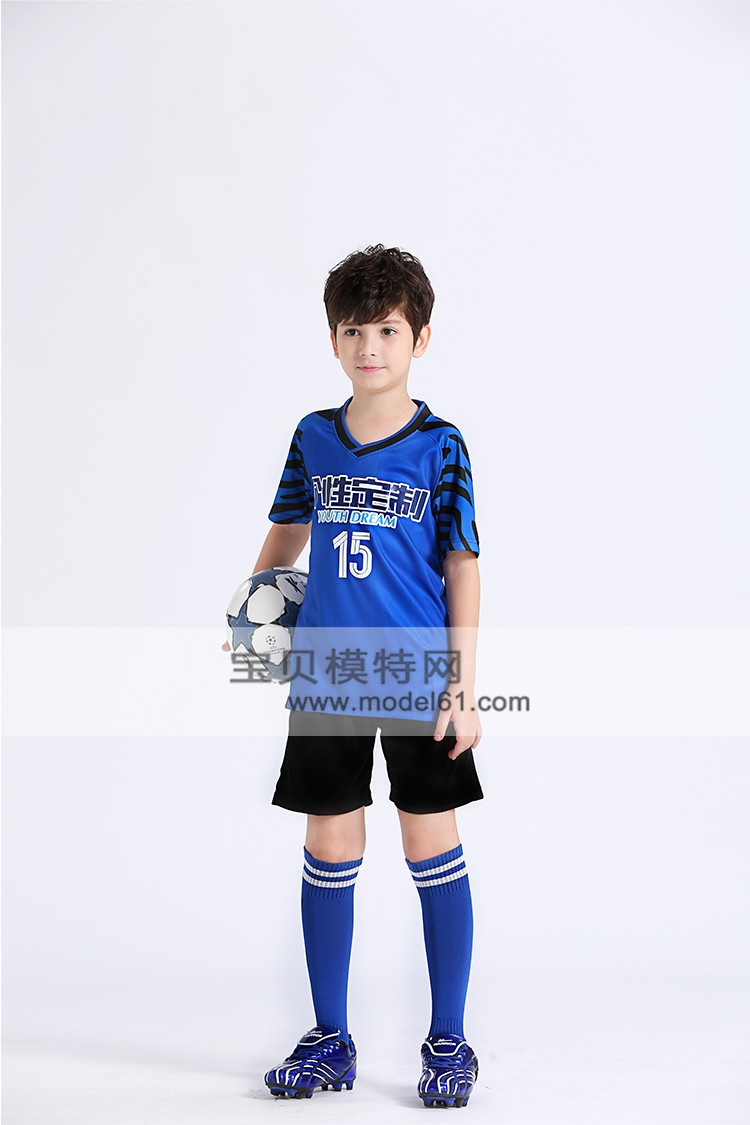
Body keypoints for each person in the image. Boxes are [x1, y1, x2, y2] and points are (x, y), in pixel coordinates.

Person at [251, 244, 483, 1107]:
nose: (369, 346)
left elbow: (462, 564)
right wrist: (254, 623)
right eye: (353, 330)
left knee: (431, 843)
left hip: (418, 672)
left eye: (387, 329)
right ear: (333, 340)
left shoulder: (441, 445)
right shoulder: (314, 436)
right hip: (328, 674)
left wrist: (463, 684)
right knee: (329, 843)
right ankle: (330, 1037)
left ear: (420, 338)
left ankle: (449, 1037)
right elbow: (284, 536)